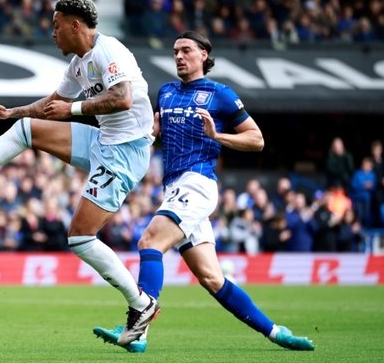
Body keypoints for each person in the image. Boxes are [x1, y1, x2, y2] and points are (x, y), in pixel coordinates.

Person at [0, 0, 159, 342]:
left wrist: (73, 111)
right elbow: (53, 104)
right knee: (28, 129)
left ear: (76, 25)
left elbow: (122, 98)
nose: (52, 33)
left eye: (57, 26)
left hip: (125, 152)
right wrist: (10, 113)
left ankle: (141, 304)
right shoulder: (79, 63)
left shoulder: (109, 51)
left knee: (79, 238)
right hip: (102, 141)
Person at [93, 31, 315, 353]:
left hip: (198, 183)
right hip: (175, 188)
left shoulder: (220, 94)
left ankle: (136, 327)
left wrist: (218, 136)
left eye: (186, 50)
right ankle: (277, 333)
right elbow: (159, 138)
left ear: (203, 55)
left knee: (150, 241)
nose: (179, 57)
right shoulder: (166, 93)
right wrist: (152, 135)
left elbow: (257, 140)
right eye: (175, 52)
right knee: (212, 279)